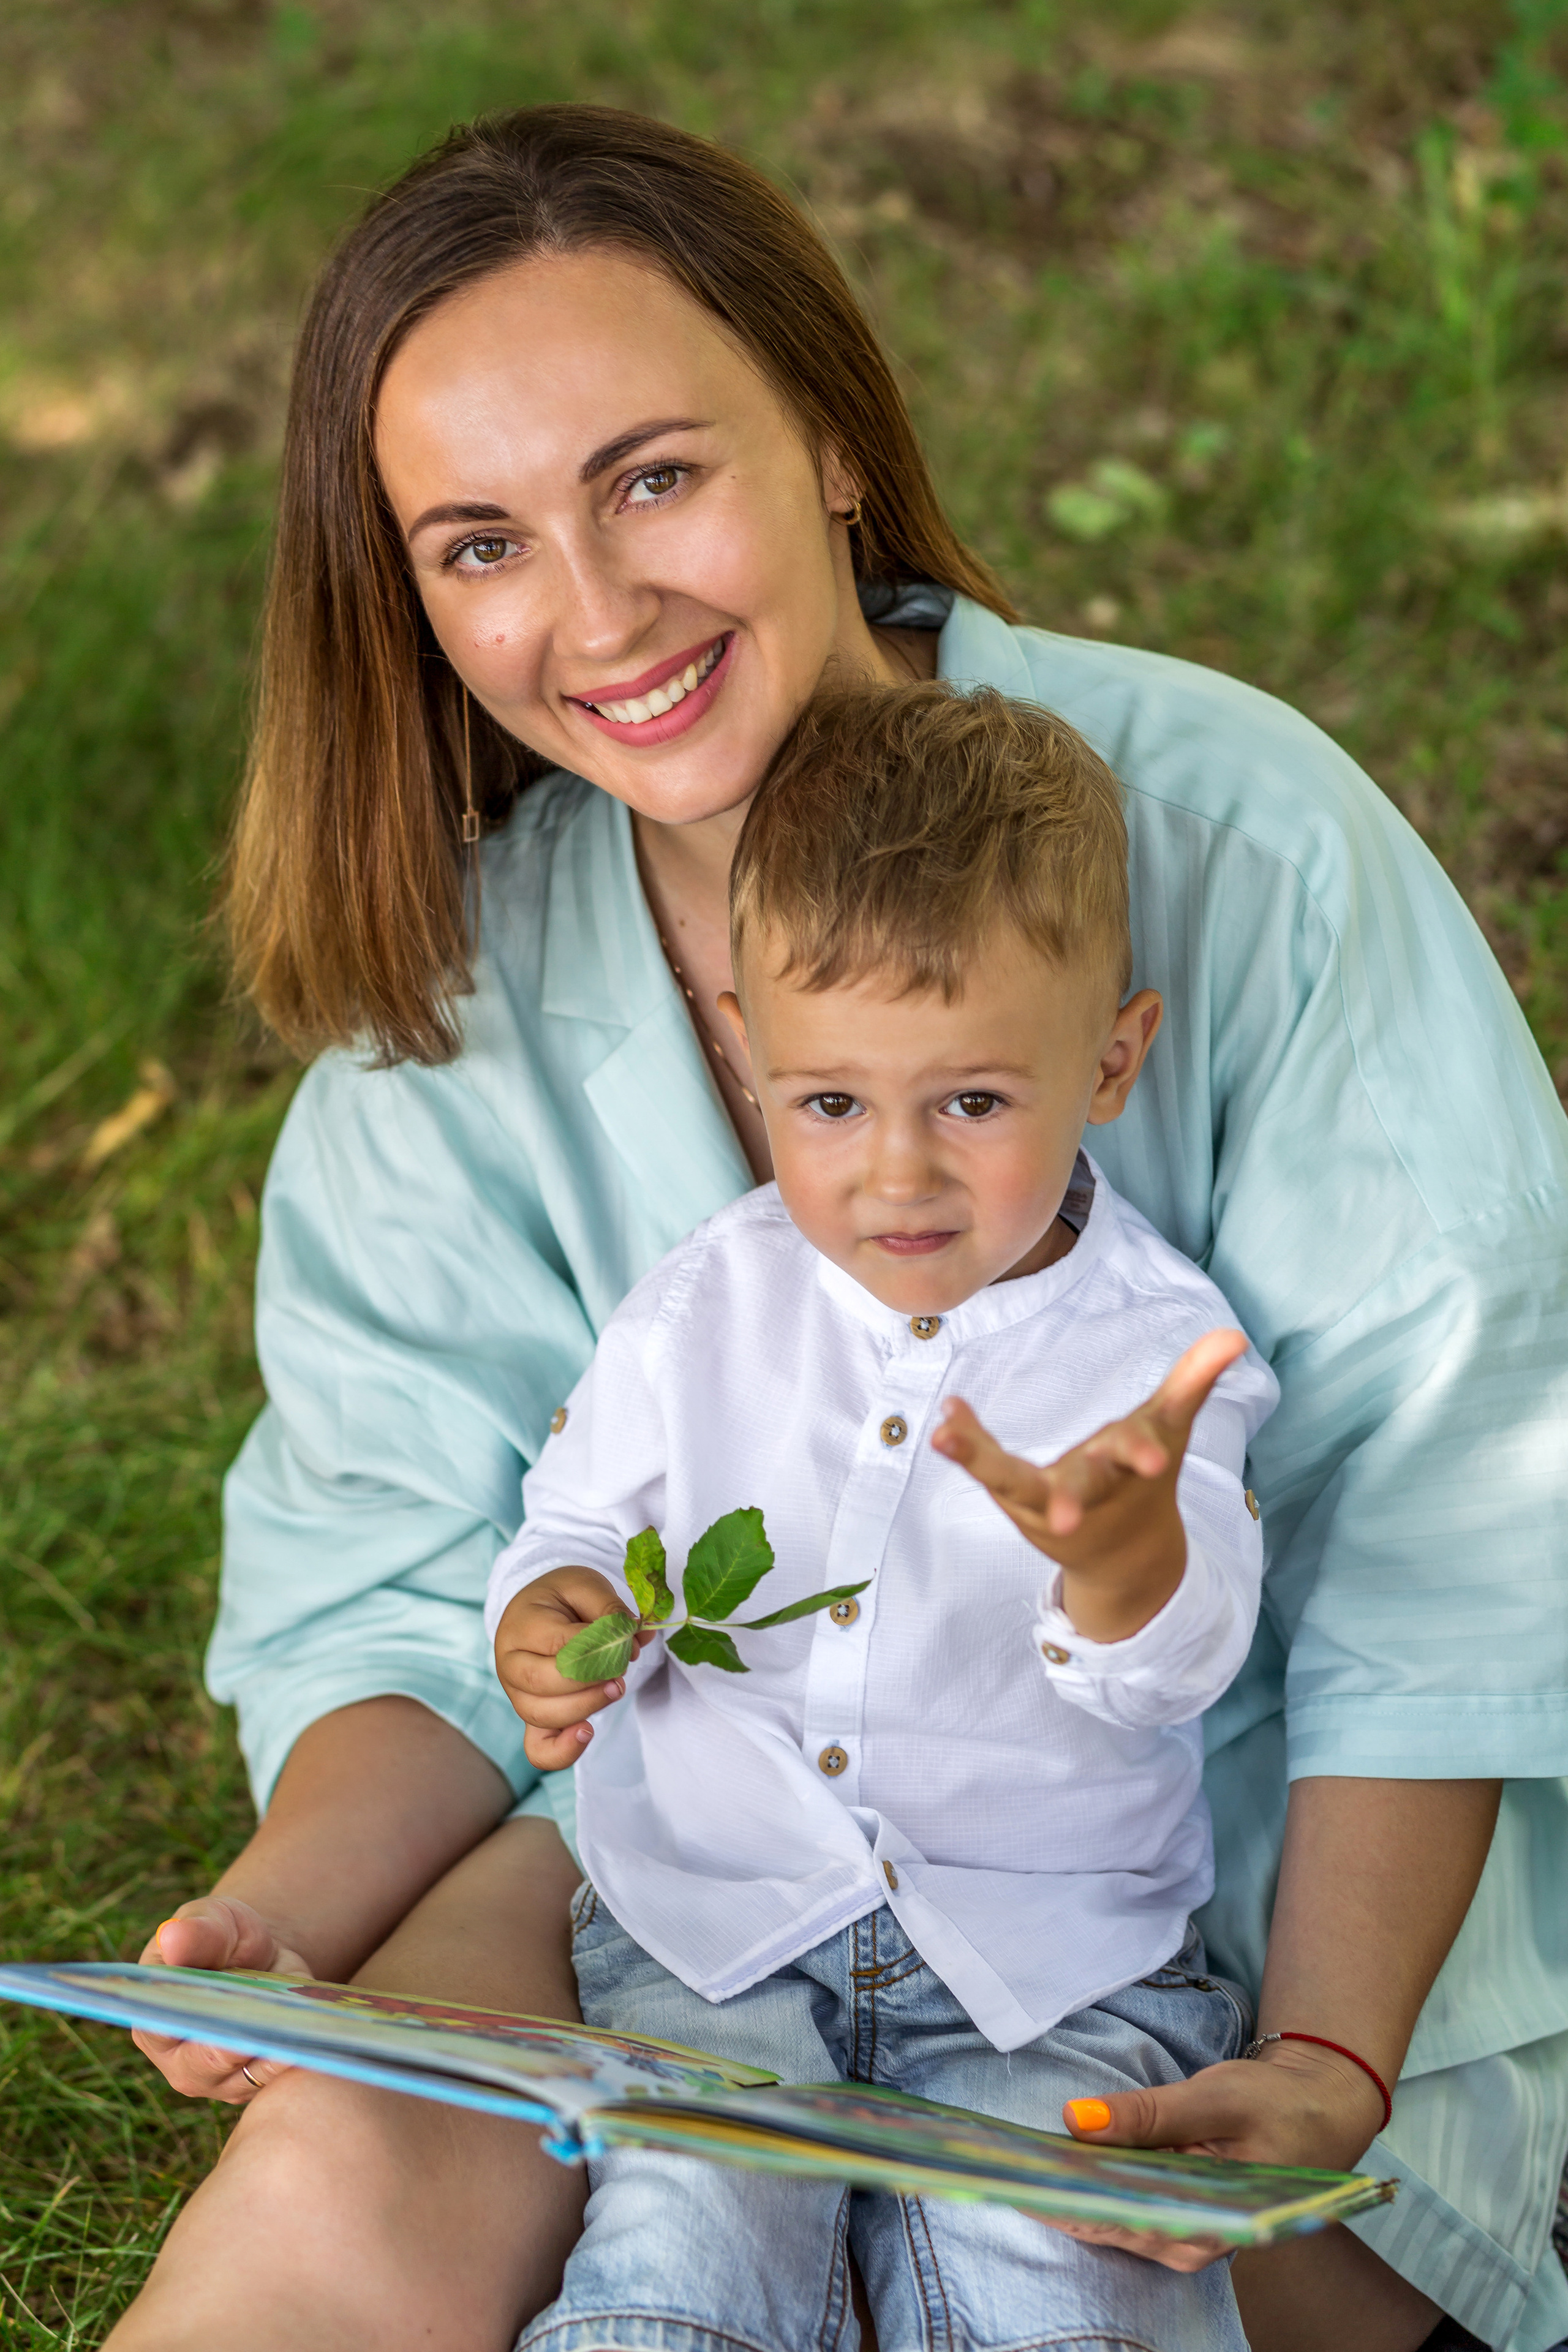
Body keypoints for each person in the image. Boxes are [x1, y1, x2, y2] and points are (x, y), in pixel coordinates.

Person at [106, 103, 1568, 2352]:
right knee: (340, 2174)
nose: (593, 614)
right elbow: (400, 1584)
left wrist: (1330, 2057)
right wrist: (283, 1921)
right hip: (693, 1879)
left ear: (830, 443)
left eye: (655, 477)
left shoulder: (1244, 849)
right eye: (480, 543)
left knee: (1045, 2286)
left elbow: (1455, 1526)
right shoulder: (455, 1017)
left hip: (1209, 1916)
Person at [488, 678, 1281, 2352]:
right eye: (831, 1105)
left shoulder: (1154, 1356)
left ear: (1113, 1058)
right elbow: (571, 1515)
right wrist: (548, 1615)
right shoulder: (708, 1302)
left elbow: (1169, 1673)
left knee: (1062, 2280)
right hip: (721, 1916)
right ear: (748, 1048)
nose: (897, 1175)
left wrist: (1124, 1562)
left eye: (974, 1103)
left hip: (1052, 1959)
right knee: (683, 2248)